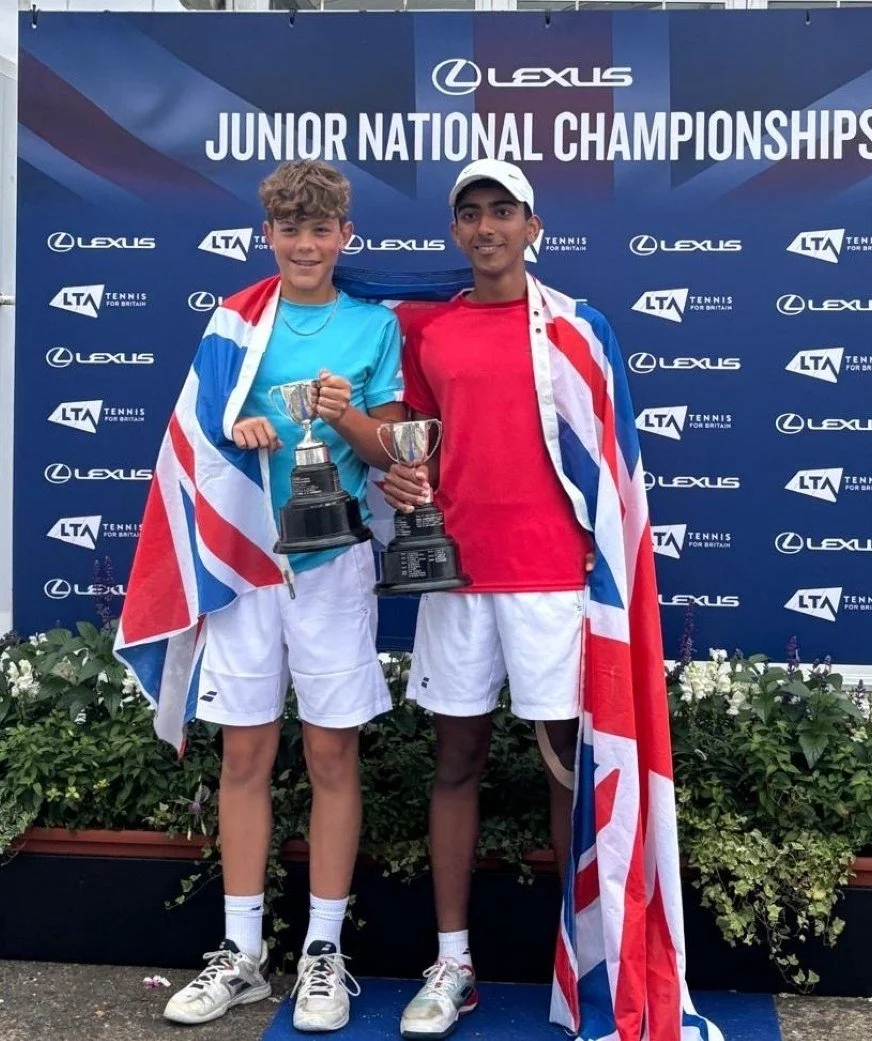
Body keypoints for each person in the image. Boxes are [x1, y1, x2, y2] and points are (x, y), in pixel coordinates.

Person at [145, 159, 404, 1031]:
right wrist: (236, 425)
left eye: (319, 229)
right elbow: (198, 430)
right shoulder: (234, 321)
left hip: (335, 564)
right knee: (245, 757)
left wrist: (343, 417)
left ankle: (324, 952)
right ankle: (244, 954)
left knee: (333, 757)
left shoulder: (373, 327)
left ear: (344, 237)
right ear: (270, 238)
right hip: (246, 563)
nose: (304, 243)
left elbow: (393, 450)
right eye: (289, 230)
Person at [381, 159, 593, 1040]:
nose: (486, 226)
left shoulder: (577, 329)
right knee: (456, 761)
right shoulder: (431, 330)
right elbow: (413, 443)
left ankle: (583, 961)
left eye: (502, 210)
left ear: (532, 227)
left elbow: (607, 466)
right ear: (456, 232)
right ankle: (454, 960)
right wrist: (402, 479)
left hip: (550, 577)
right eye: (470, 213)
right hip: (458, 574)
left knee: (564, 772)